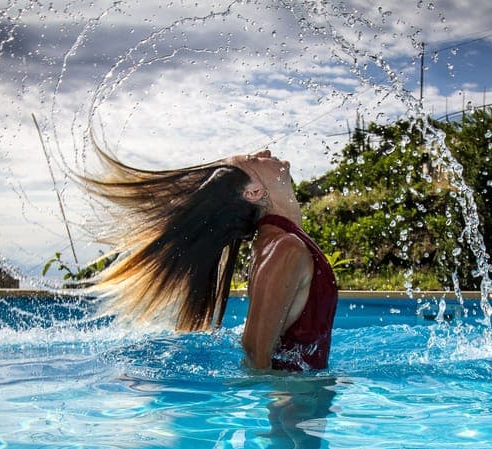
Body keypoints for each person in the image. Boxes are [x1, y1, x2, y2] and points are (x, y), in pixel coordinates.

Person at [79, 146, 337, 371]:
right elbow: (256, 356)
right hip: (294, 406)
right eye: (253, 159)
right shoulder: (283, 247)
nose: (265, 153)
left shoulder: (280, 243)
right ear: (254, 192)